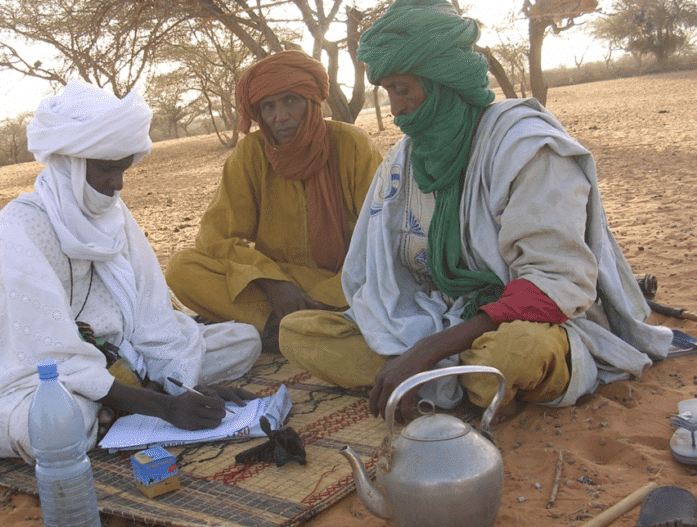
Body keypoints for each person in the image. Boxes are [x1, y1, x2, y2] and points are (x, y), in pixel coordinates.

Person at [279, 0, 673, 423]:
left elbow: (555, 284)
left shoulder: (525, 148)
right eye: (389, 91)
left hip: (525, 324)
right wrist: (408, 332)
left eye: (403, 89)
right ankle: (449, 380)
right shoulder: (402, 161)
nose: (395, 110)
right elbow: (375, 276)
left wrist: (430, 350)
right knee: (298, 334)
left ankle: (434, 377)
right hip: (431, 318)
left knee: (516, 354)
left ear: (443, 81)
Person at [0, 80, 262, 478]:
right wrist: (165, 407)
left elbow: (152, 317)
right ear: (71, 163)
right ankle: (116, 403)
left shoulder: (114, 215)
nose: (118, 184)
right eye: (107, 170)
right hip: (38, 378)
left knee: (243, 340)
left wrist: (178, 386)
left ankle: (120, 403)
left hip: (120, 356)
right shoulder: (18, 228)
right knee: (61, 425)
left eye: (122, 170)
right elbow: (50, 357)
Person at [165, 50, 383, 351]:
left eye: (290, 101)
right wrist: (274, 282)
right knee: (182, 268)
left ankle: (296, 325)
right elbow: (215, 239)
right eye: (268, 106)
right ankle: (289, 329)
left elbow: (380, 234)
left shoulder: (352, 145)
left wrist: (327, 294)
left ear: (312, 101)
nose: (280, 116)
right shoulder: (250, 154)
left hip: (343, 284)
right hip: (278, 281)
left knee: (383, 282)